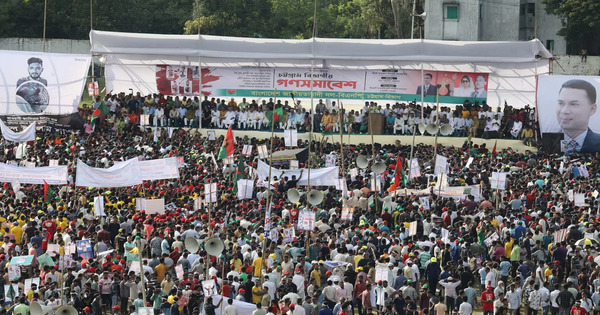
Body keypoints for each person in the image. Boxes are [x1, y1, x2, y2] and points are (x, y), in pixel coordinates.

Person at [555, 79, 600, 153]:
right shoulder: (550, 142)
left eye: (574, 104)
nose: (564, 111)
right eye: (561, 103)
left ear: (592, 109)